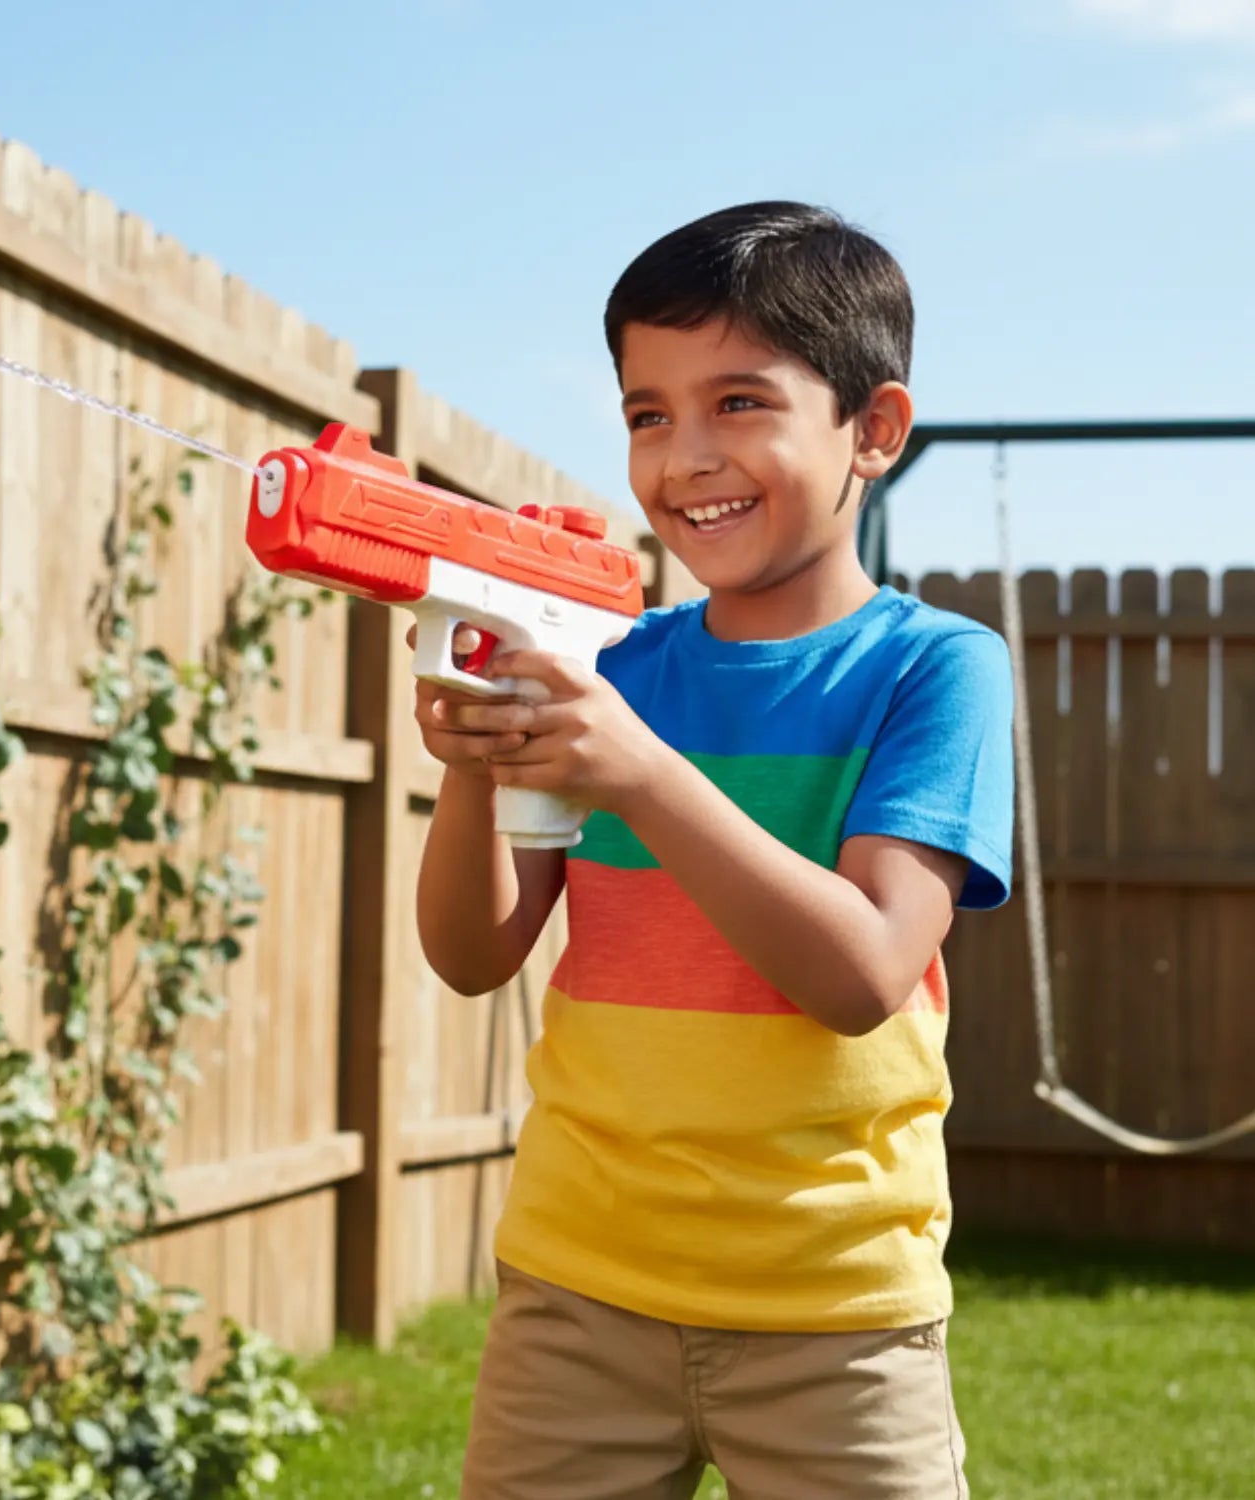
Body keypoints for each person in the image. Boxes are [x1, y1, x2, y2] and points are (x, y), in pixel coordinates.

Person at [412, 200, 1015, 1499]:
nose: (686, 455)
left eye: (740, 401)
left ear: (876, 430)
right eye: (647, 413)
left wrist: (638, 768)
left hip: (839, 1310)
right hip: (577, 1281)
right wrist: (473, 770)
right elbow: (474, 955)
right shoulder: (612, 671)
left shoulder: (937, 669)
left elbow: (862, 975)